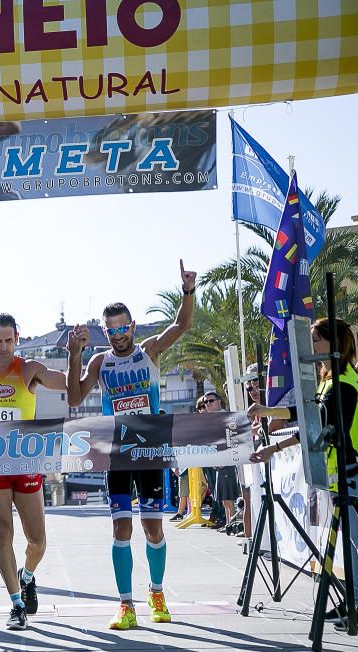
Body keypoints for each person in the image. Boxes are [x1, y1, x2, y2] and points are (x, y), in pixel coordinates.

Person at [66, 260, 196, 630]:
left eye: (123, 327)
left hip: (152, 449)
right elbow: (75, 398)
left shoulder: (149, 351)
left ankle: (156, 593)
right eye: (111, 329)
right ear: (104, 332)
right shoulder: (100, 361)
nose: (118, 334)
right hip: (118, 452)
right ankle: (125, 605)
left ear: (133, 327)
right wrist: (75, 354)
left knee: (153, 529)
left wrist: (187, 291)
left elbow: (182, 326)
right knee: (120, 529)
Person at [0, 312, 68, 631]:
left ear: (17, 338)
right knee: (2, 530)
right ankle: (16, 604)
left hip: (27, 463)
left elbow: (65, 383)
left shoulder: (29, 369)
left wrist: (75, 355)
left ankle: (27, 576)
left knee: (37, 541)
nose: (3, 347)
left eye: (9, 340)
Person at [249, 317, 358, 628]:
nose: (311, 347)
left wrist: (275, 445)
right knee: (349, 544)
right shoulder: (330, 380)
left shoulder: (344, 383)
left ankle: (357, 604)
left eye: (316, 340)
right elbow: (307, 416)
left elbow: (323, 424)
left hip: (354, 471)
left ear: (333, 343)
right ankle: (353, 603)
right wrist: (267, 412)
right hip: (342, 473)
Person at [202, 391, 238, 531]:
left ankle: (232, 524)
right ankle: (229, 523)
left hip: (226, 462)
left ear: (219, 402)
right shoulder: (213, 419)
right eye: (205, 402)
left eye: (210, 401)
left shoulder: (225, 417)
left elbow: (231, 439)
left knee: (228, 497)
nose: (207, 404)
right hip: (218, 462)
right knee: (223, 497)